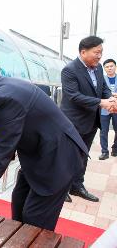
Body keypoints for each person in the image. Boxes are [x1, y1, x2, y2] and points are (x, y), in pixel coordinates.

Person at [0, 56, 87, 231]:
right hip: (37, 154)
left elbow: (0, 157)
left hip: (58, 157)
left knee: (34, 220)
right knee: (19, 203)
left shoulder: (3, 96)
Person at [60, 36, 117, 202]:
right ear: (83, 52)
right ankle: (61, 189)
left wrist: (111, 101)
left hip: (91, 122)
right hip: (73, 122)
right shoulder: (69, 70)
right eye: (96, 52)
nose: (99, 56)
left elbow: (104, 89)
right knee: (67, 156)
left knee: (83, 156)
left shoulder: (98, 68)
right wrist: (102, 102)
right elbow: (74, 96)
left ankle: (77, 186)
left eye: (101, 53)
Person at [99, 59, 117, 160]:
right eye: (107, 67)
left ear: (115, 67)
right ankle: (104, 152)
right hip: (104, 109)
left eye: (111, 66)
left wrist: (113, 94)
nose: (109, 68)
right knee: (103, 131)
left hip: (116, 109)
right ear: (104, 69)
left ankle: (115, 149)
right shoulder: (101, 79)